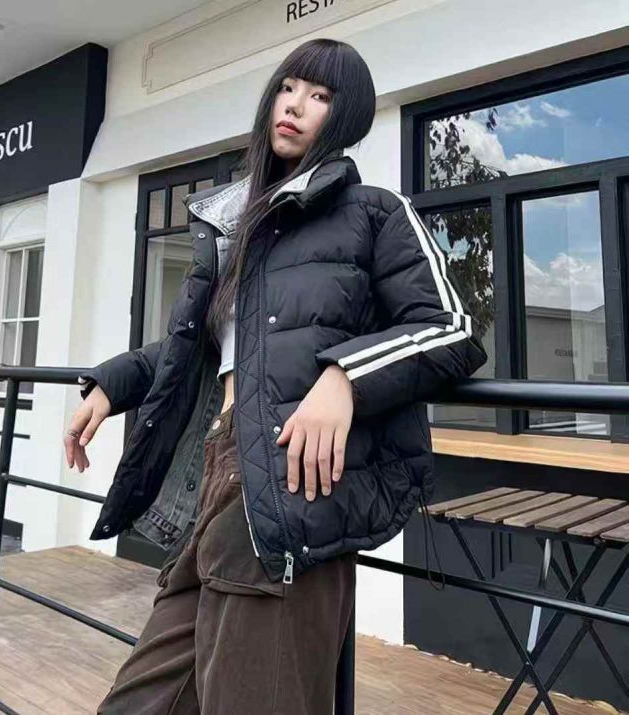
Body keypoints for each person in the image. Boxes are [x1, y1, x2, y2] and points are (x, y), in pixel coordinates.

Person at [64, 38, 487, 715]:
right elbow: (204, 346)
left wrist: (345, 377)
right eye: (289, 87)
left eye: (320, 96)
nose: (295, 105)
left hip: (293, 485)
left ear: (345, 117)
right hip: (216, 473)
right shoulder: (238, 223)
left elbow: (452, 329)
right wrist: (114, 381)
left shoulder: (374, 212)